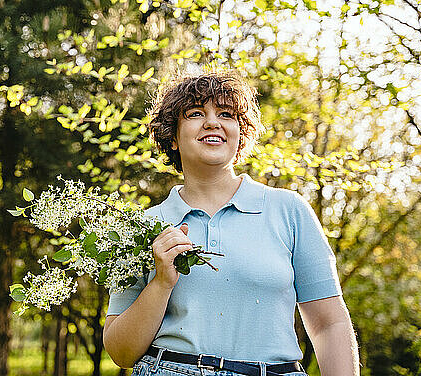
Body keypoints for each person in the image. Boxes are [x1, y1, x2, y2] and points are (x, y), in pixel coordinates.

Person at [103, 66, 360, 376]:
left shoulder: (289, 210)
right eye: (196, 113)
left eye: (226, 114)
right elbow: (121, 352)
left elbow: (328, 323)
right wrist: (161, 282)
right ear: (172, 137)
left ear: (240, 136)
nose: (213, 121)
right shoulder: (144, 226)